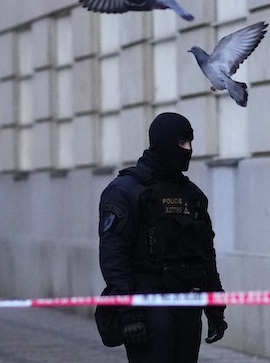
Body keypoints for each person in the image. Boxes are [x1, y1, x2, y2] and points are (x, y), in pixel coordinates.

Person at [98, 112, 228, 362]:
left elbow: (206, 255)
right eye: (181, 143)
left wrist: (215, 308)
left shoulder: (192, 195)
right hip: (147, 303)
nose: (188, 149)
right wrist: (130, 315)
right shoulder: (126, 191)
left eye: (190, 143)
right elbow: (114, 258)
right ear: (163, 142)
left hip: (187, 301)